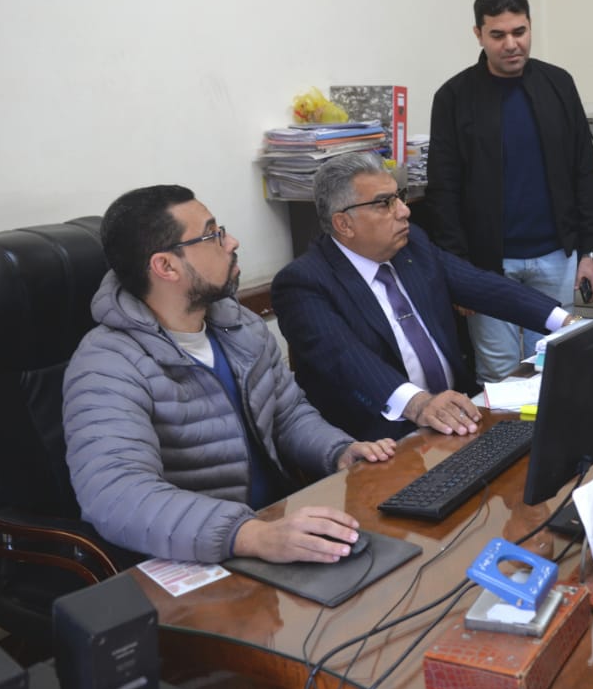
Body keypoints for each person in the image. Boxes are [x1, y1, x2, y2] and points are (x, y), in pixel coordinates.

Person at [63, 185, 397, 565]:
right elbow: (115, 495)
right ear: (166, 267)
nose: (232, 242)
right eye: (212, 235)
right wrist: (249, 534)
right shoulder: (106, 364)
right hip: (200, 554)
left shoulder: (238, 324)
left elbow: (287, 414)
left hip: (277, 525)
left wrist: (337, 451)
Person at [273, 152, 578, 442]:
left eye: (399, 197)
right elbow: (346, 359)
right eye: (384, 203)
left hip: (458, 416)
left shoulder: (411, 245)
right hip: (383, 439)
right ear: (344, 224)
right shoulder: (304, 284)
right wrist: (419, 404)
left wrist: (568, 323)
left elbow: (482, 286)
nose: (404, 211)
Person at [426, 0, 593, 382]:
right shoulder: (453, 97)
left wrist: (592, 252)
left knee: (554, 368)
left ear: (530, 27)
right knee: (500, 375)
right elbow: (443, 191)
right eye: (498, 35)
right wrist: (459, 274)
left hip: (556, 257)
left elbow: (583, 171)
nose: (511, 44)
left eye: (519, 32)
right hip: (488, 266)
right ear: (478, 34)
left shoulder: (558, 84)